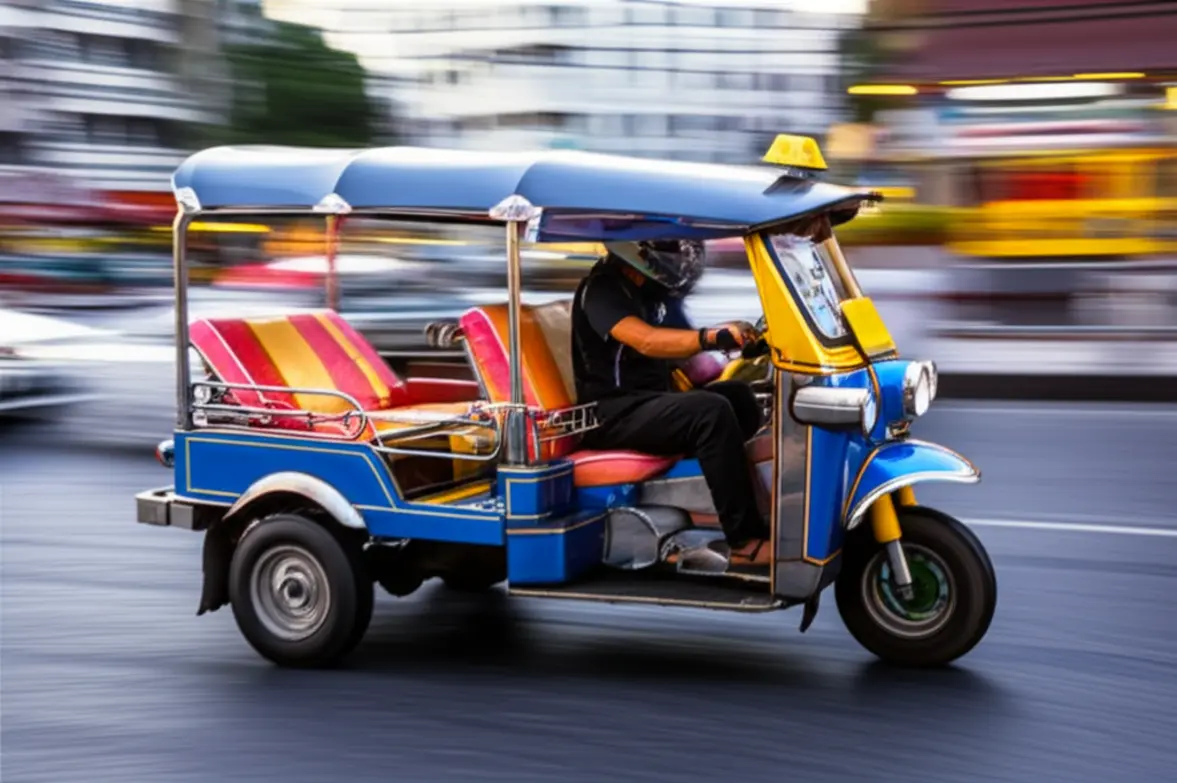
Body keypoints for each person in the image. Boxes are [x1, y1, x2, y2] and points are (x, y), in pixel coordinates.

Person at [571, 239, 772, 567]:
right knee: (711, 412)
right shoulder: (602, 288)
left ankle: (741, 508)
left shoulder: (654, 289)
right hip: (613, 414)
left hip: (651, 402)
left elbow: (686, 350)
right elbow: (646, 340)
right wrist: (712, 337)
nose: (680, 257)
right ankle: (744, 542)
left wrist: (748, 346)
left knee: (738, 397)